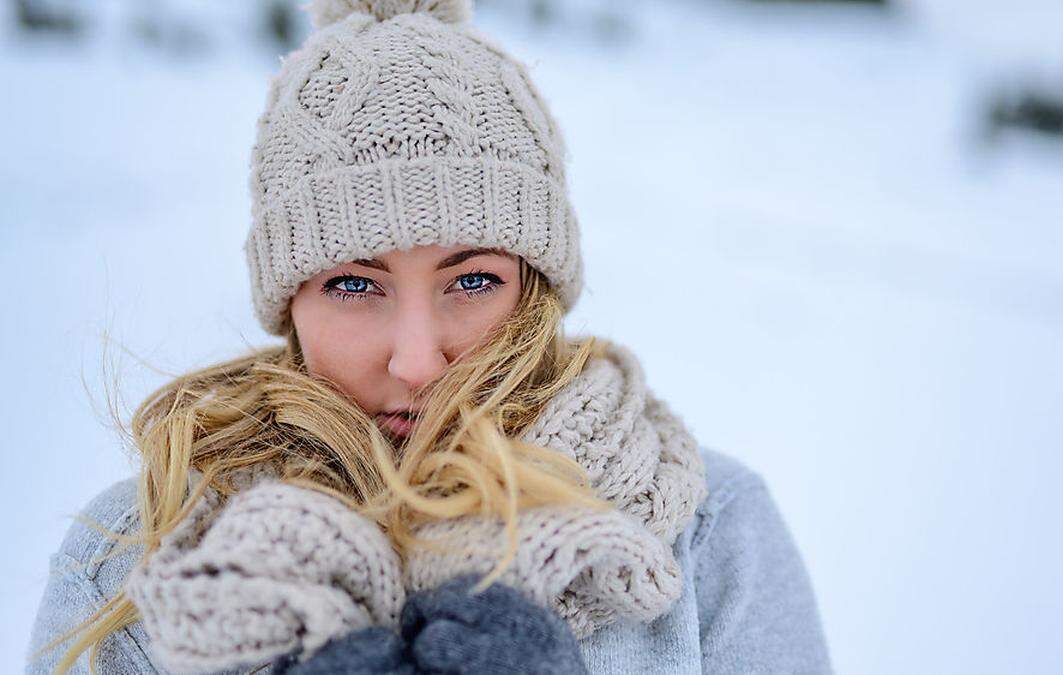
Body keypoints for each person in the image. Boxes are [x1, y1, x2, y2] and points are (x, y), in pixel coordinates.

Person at [25, 1, 834, 673]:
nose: (417, 360)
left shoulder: (707, 532)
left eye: (471, 281)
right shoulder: (137, 556)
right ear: (290, 302)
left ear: (534, 285)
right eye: (353, 284)